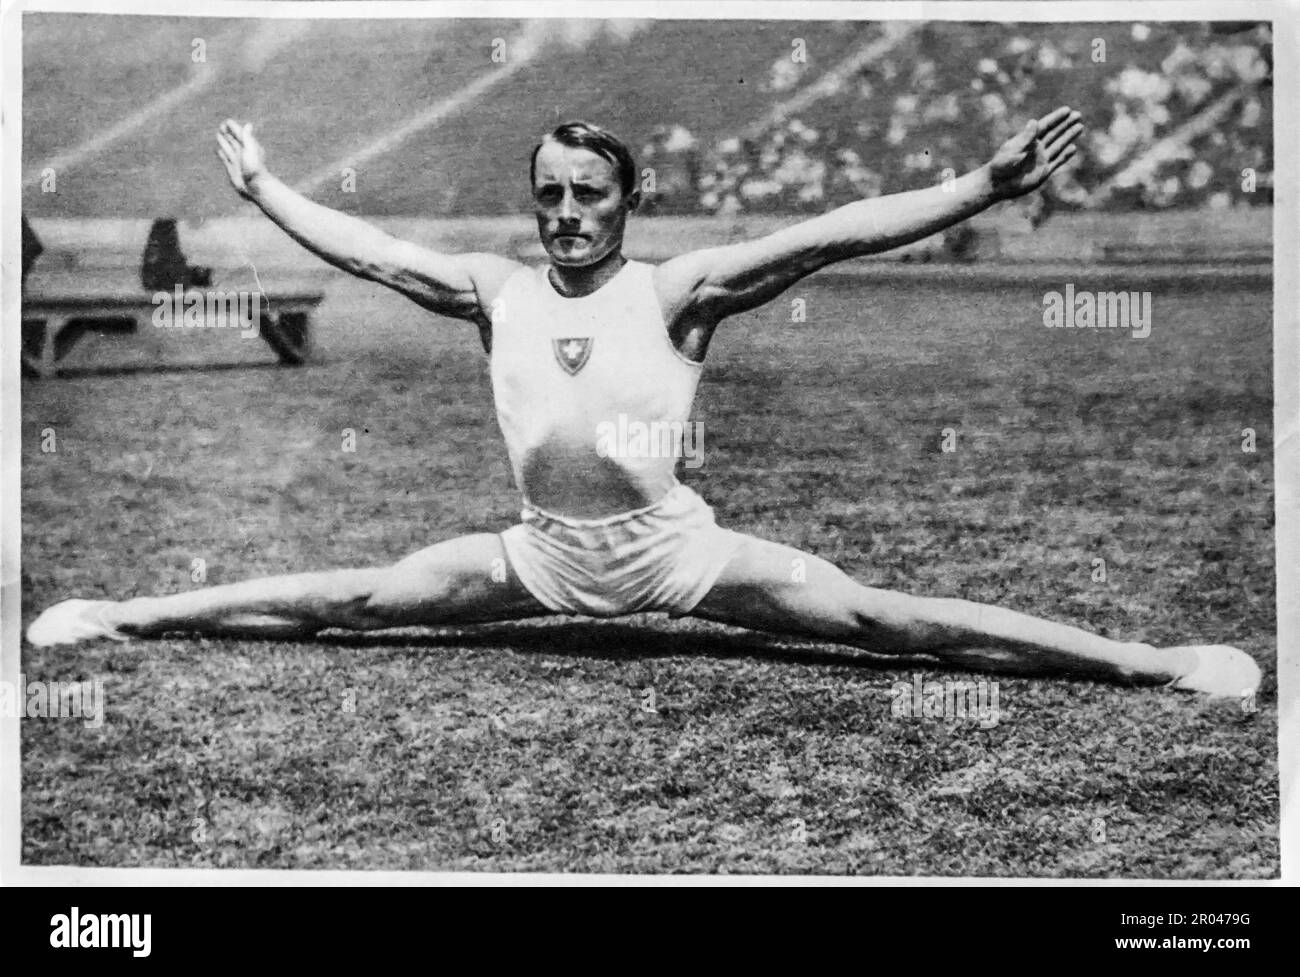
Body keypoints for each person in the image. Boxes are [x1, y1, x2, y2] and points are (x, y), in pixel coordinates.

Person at [27, 109, 1260, 700]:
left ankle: (1154, 662)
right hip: (541, 559)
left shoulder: (681, 289)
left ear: (628, 200)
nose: (567, 213)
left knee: (893, 623)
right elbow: (366, 251)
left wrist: (981, 186)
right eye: (550, 194)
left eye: (590, 196)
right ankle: (120, 616)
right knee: (347, 598)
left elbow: (829, 233)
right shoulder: (491, 286)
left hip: (679, 554)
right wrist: (266, 194)